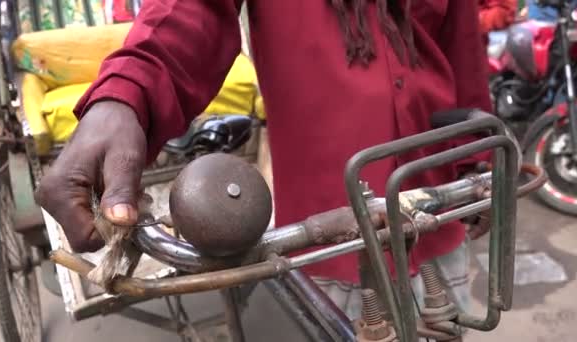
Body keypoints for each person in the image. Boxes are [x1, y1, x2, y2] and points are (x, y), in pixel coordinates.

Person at [35, 0, 491, 322]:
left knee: (448, 324)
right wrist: (124, 98)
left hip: (438, 201)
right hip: (329, 229)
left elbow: (463, 45)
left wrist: (480, 154)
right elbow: (190, 13)